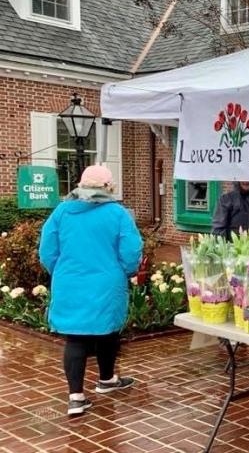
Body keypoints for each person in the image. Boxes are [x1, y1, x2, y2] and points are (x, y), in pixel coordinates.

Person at [38, 165, 143, 416]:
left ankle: (76, 397)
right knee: (108, 330)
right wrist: (125, 271)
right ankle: (106, 379)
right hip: (107, 282)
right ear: (108, 187)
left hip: (69, 282)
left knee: (75, 337)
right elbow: (131, 251)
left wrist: (62, 271)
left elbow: (47, 250)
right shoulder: (117, 214)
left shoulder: (62, 212)